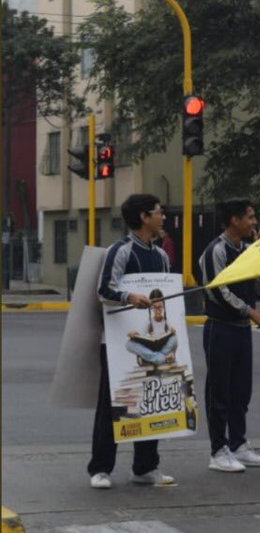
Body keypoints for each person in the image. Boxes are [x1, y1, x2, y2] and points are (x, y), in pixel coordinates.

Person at [89, 193, 176, 489]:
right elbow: (104, 291)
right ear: (143, 217)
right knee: (113, 405)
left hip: (154, 337)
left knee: (151, 400)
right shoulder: (121, 251)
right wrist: (129, 297)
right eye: (158, 212)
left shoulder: (162, 256)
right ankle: (101, 468)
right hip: (116, 341)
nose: (162, 216)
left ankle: (145, 466)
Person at [198, 199, 260, 473]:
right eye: (250, 217)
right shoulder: (215, 250)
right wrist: (251, 312)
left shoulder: (247, 249)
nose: (254, 222)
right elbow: (217, 291)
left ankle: (239, 444)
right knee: (219, 391)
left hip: (241, 330)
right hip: (221, 328)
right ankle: (218, 451)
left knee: (241, 390)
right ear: (234, 220)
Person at [124, 289, 178, 367]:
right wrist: (134, 334)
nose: (157, 310)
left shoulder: (167, 321)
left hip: (163, 348)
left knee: (174, 339)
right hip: (150, 349)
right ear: (151, 308)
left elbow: (174, 344)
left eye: (159, 307)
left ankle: (152, 359)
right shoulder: (148, 322)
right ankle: (161, 359)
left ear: (163, 306)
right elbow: (141, 337)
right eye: (154, 308)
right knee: (129, 344)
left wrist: (172, 332)